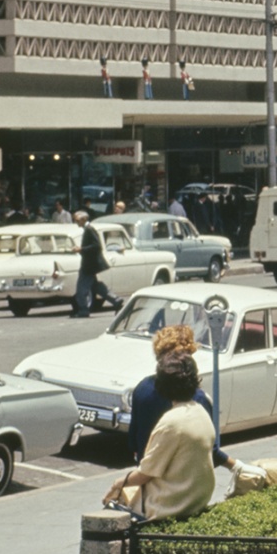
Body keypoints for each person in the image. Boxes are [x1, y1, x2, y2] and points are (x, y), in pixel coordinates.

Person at [104, 353, 215, 520]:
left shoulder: (171, 423)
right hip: (196, 500)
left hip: (169, 506)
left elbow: (145, 473)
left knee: (111, 506)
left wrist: (117, 484)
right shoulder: (200, 412)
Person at [126, 321, 225, 464]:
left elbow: (133, 442)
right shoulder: (197, 398)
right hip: (181, 478)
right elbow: (209, 448)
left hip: (147, 472)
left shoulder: (142, 387)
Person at [71, 212, 107, 317]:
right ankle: (116, 301)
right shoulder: (87, 229)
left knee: (81, 288)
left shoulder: (89, 229)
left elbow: (97, 246)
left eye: (77, 220)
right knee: (96, 286)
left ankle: (83, 310)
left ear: (83, 219)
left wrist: (81, 249)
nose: (76, 223)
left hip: (89, 265)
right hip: (89, 264)